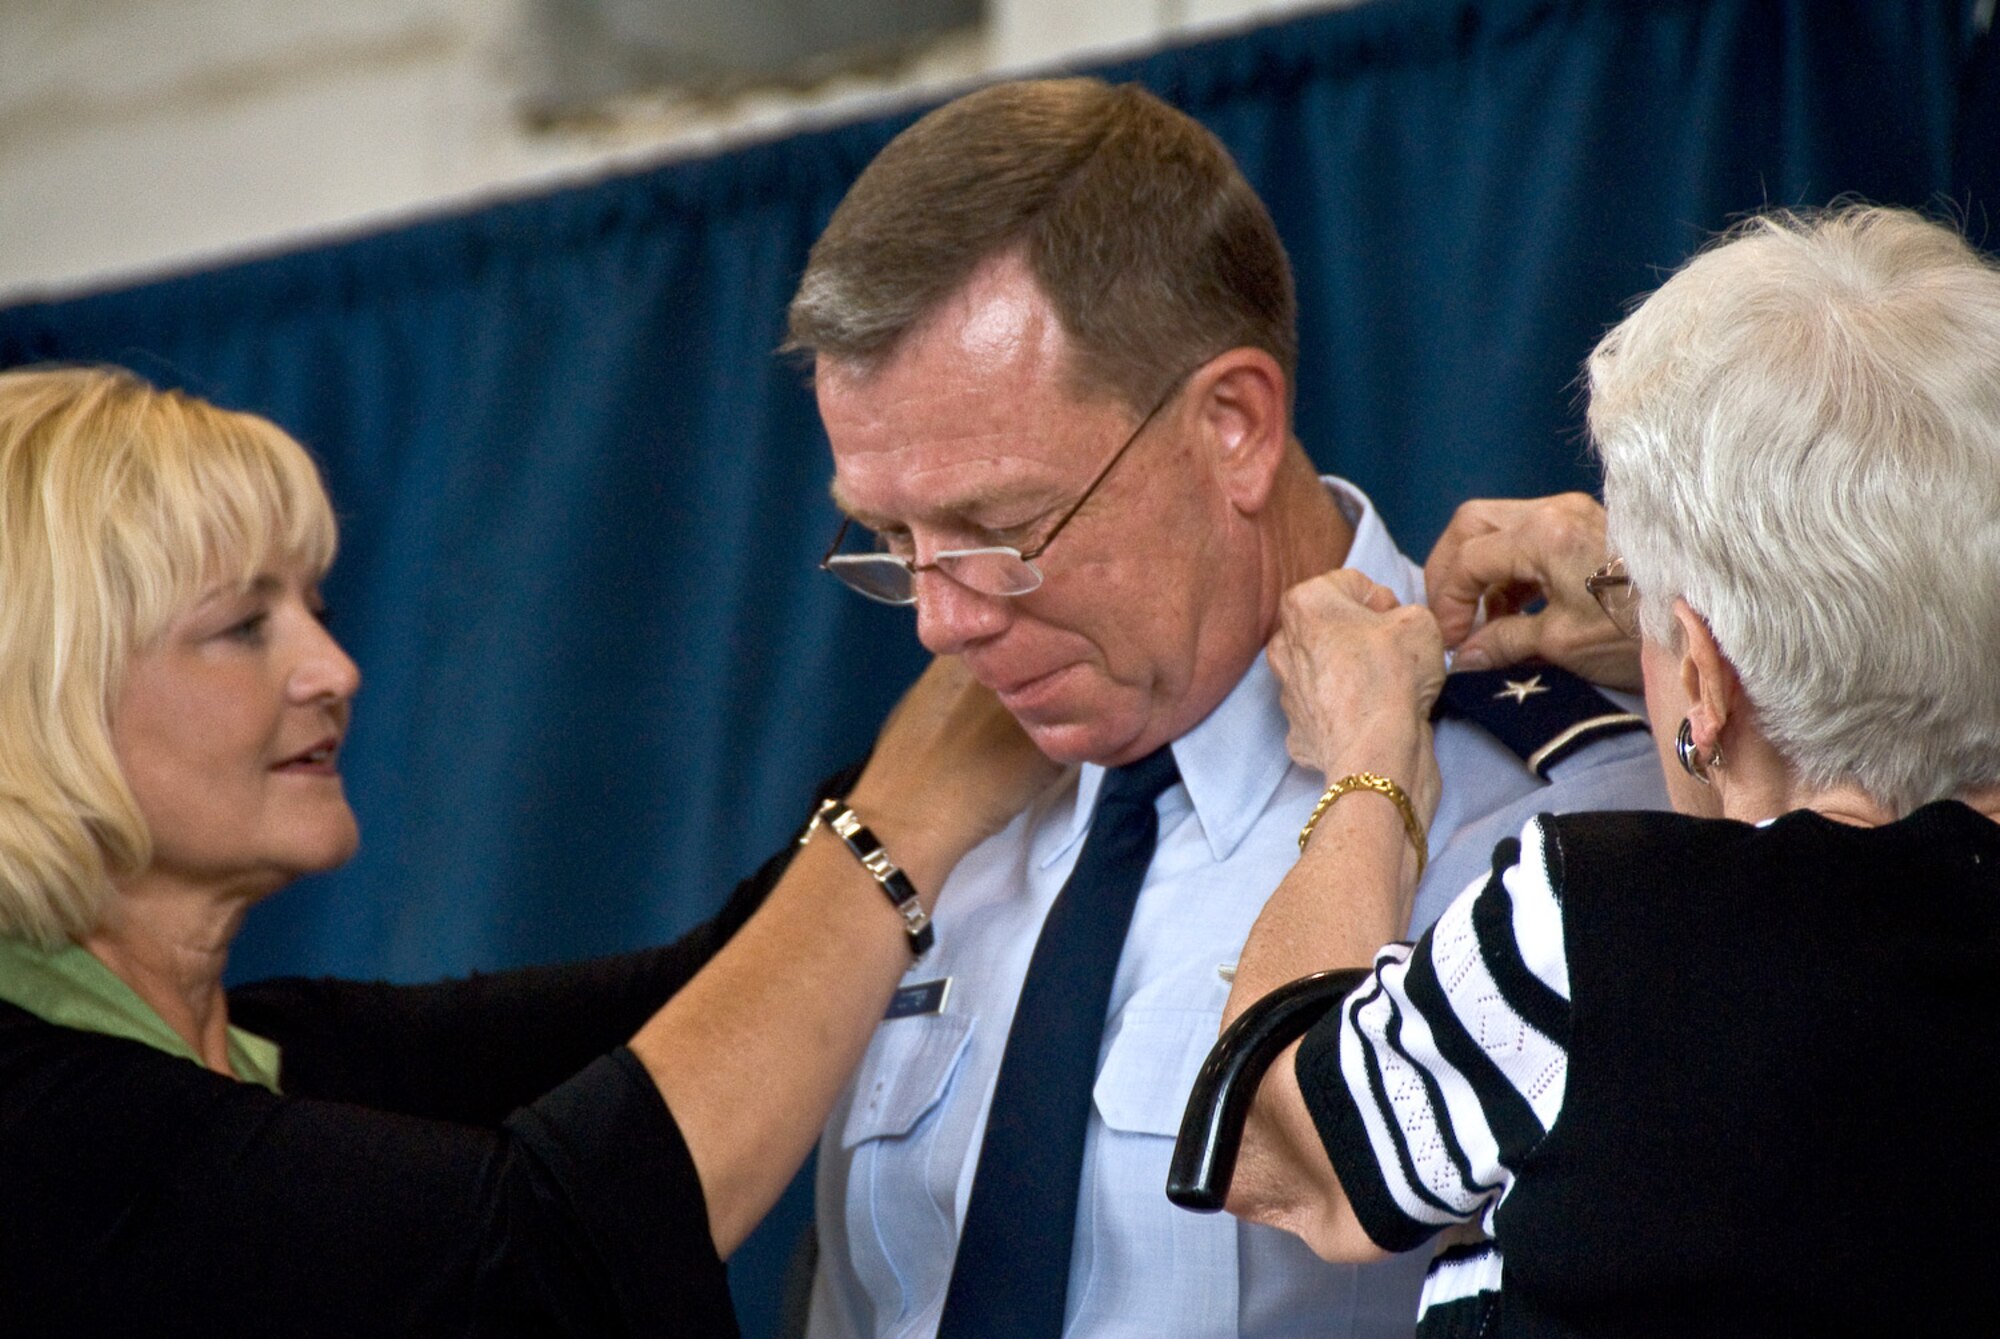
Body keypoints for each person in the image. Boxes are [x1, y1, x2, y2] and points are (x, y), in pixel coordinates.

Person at [782, 76, 1668, 1337]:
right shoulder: (913, 831)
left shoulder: (1560, 812)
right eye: (887, 536)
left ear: (1235, 426)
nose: (941, 620)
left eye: (995, 528)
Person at [0, 364, 1058, 1336]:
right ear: (40, 698)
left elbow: (732, 979)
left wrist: (972, 668)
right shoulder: (38, 1117)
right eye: (242, 625)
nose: (334, 668)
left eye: (315, 609)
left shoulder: (286, 1052)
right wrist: (900, 824)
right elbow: (541, 1257)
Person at [1218, 204, 2000, 1335]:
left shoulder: (1599, 926)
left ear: (1703, 672)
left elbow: (1274, 1138)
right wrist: (1703, 650)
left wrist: (1367, 763)